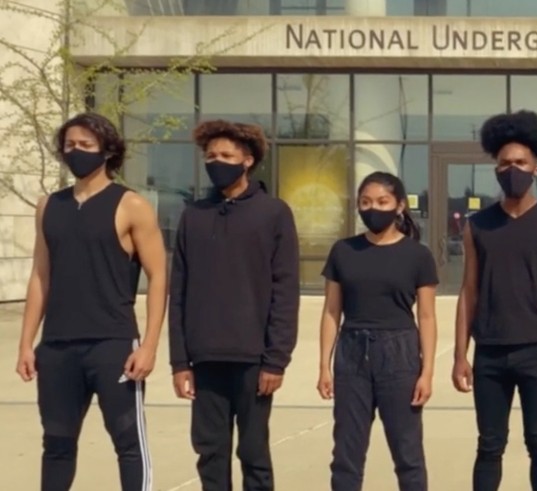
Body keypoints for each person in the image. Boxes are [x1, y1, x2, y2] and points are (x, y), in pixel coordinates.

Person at [14, 112, 166, 491]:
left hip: (113, 344)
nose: (76, 152)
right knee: (57, 445)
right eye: (70, 145)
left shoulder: (131, 205)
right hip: (58, 346)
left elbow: (160, 275)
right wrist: (26, 343)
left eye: (86, 145)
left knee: (128, 444)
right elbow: (40, 276)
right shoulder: (49, 206)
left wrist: (148, 346)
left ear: (107, 150)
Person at [450, 109, 537, 491]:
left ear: (536, 167)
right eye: (505, 163)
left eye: (521, 162)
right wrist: (461, 354)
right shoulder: (478, 226)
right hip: (489, 351)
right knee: (489, 446)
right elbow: (468, 291)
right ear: (495, 167)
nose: (513, 169)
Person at [169, 119, 300, 491]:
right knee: (210, 452)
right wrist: (180, 362)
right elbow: (178, 291)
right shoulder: (193, 215)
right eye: (210, 156)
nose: (216, 161)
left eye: (226, 155)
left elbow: (285, 289)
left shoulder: (273, 213)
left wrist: (276, 359)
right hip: (205, 358)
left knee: (254, 453)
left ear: (247, 160)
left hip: (254, 359)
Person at [318, 172, 439, 491]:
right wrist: (324, 366)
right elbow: (331, 312)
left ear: (399, 206)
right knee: (346, 454)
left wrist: (427, 372)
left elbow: (426, 316)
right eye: (366, 202)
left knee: (408, 454)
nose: (374, 209)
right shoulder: (343, 251)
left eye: (383, 202)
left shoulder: (418, 255)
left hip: (400, 355)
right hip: (351, 355)